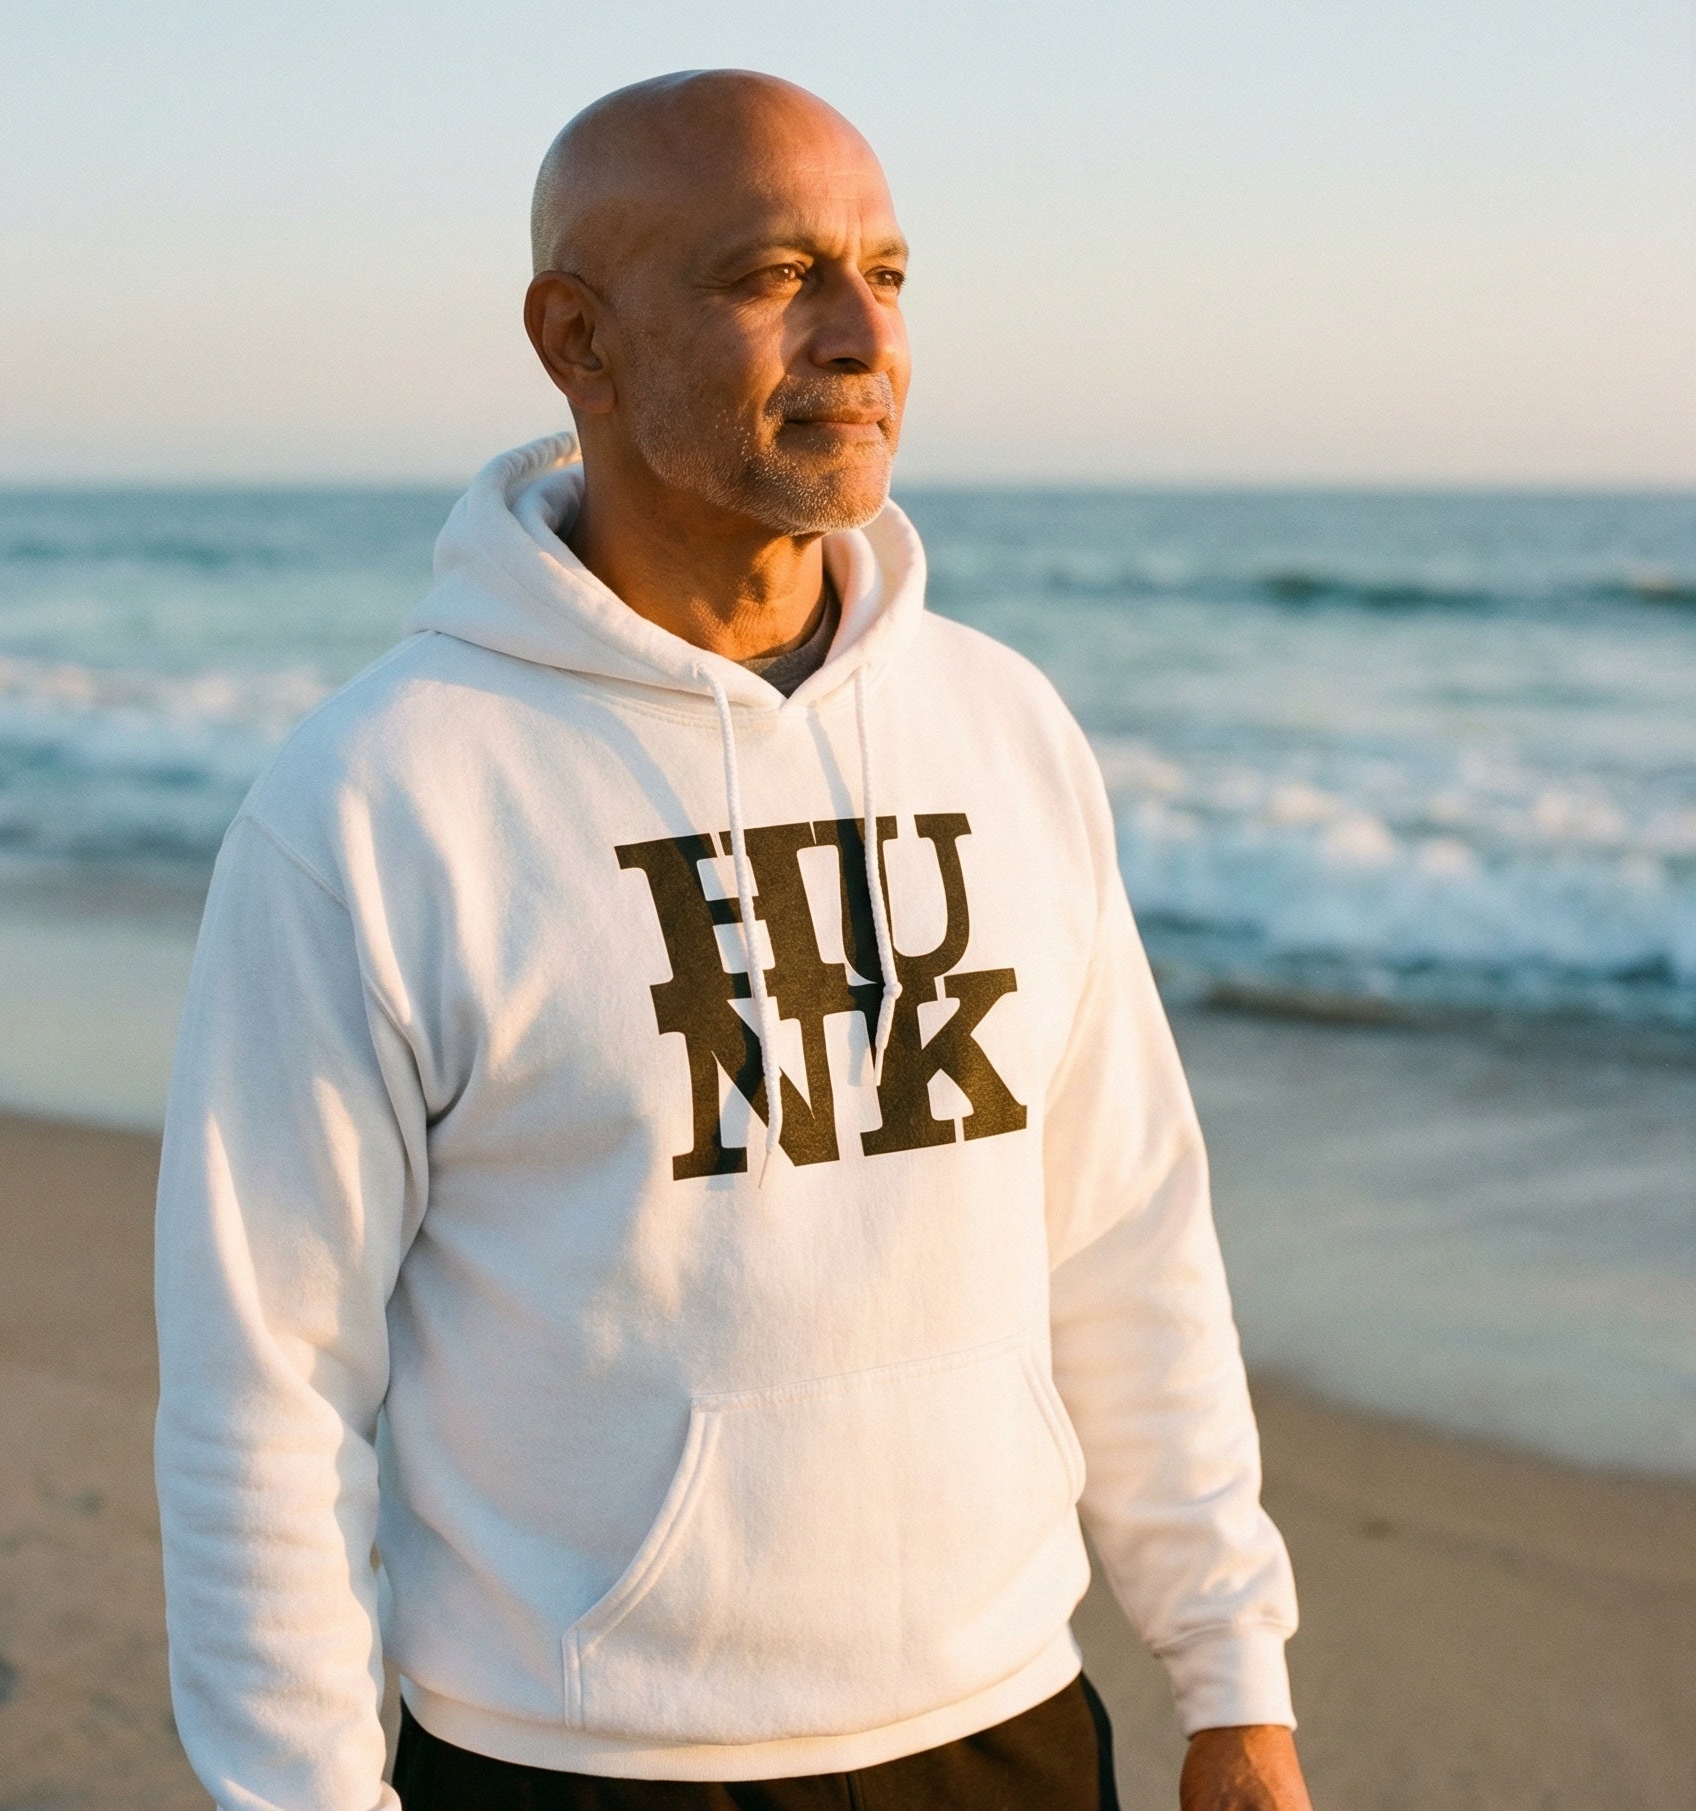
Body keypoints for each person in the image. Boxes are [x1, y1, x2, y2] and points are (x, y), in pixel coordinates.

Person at [154, 68, 1312, 1811]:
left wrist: (1233, 1678)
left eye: (891, 274)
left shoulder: (1003, 728)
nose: (865, 335)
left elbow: (1131, 1239)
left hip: (1005, 1732)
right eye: (775, 275)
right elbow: (265, 1387)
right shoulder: (379, 803)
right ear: (579, 340)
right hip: (578, 1761)